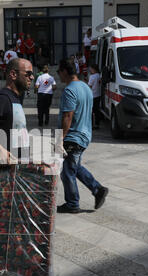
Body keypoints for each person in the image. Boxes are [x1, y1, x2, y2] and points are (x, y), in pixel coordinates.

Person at [56, 58, 108, 213]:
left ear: (65, 71)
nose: (59, 76)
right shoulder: (85, 87)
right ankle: (97, 189)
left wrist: (60, 139)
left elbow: (68, 116)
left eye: (59, 72)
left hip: (73, 136)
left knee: (67, 171)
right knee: (74, 167)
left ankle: (72, 204)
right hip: (85, 134)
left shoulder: (70, 90)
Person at [88, 64, 102, 130]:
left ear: (94, 69)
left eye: (91, 69)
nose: (90, 70)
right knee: (97, 110)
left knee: (91, 111)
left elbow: (89, 86)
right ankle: (97, 124)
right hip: (98, 94)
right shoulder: (99, 75)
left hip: (92, 95)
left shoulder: (92, 76)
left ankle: (91, 125)